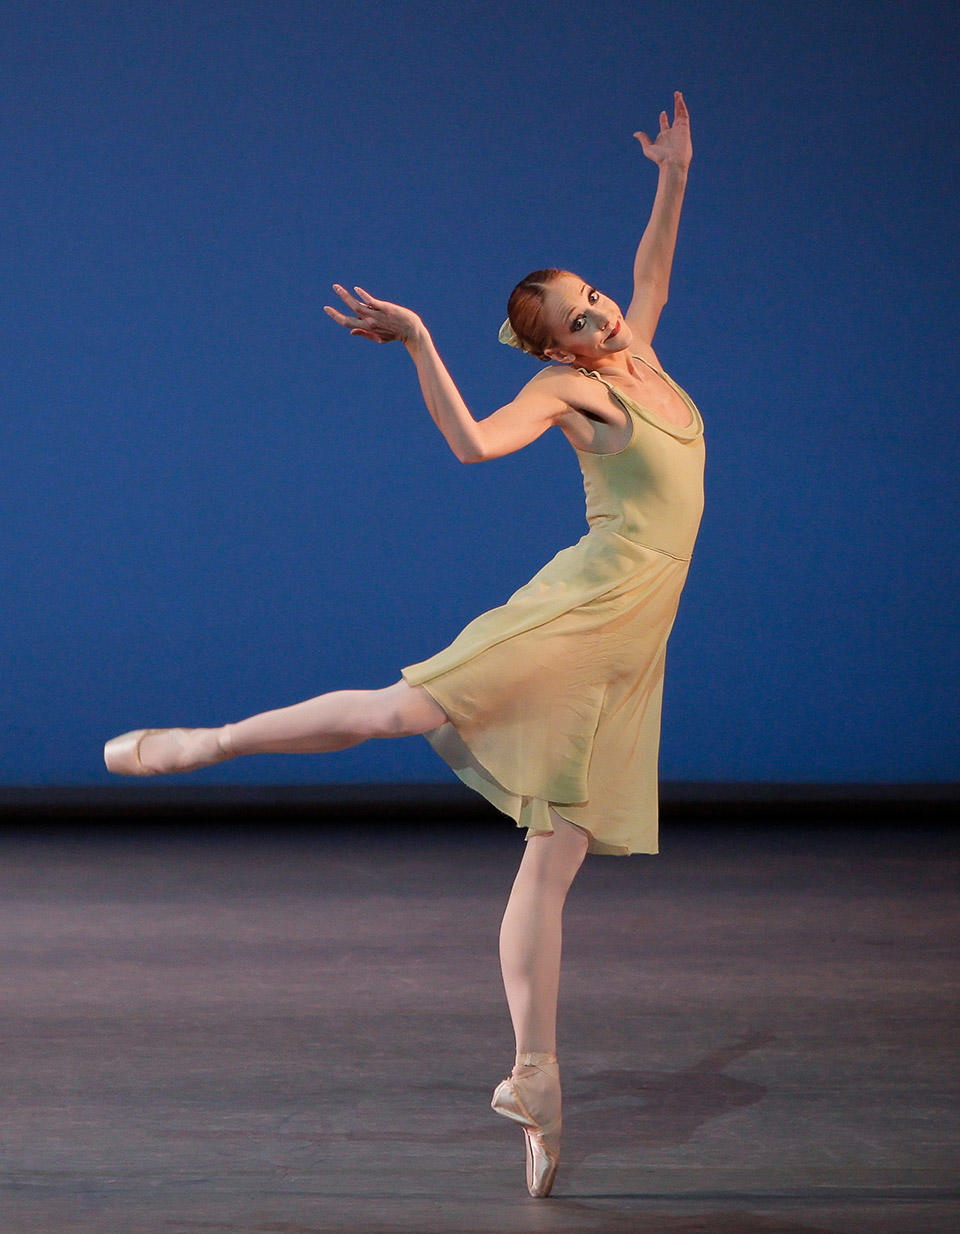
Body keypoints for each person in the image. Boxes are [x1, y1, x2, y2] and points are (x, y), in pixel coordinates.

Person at [104, 92, 700, 1198]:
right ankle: (207, 742)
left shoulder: (644, 355)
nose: (603, 316)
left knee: (554, 853)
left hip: (633, 644)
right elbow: (475, 446)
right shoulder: (571, 392)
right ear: (553, 345)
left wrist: (671, 175)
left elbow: (654, 267)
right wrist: (424, 339)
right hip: (581, 609)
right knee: (401, 709)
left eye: (597, 301)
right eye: (578, 318)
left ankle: (534, 1081)